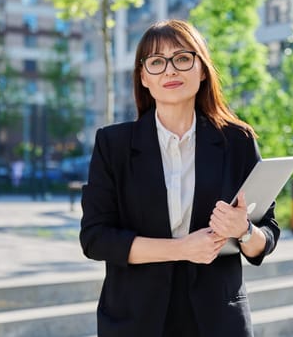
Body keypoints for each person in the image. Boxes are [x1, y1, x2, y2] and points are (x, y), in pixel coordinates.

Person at [80, 19, 280, 337]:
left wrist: (243, 231)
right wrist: (182, 249)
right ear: (143, 77)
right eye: (157, 62)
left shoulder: (237, 141)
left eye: (182, 58)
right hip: (135, 320)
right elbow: (95, 239)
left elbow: (266, 236)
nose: (170, 71)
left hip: (218, 321)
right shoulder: (113, 145)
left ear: (202, 69)